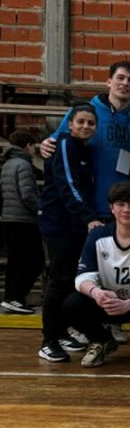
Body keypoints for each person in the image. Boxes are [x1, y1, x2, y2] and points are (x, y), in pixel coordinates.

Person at [62, 180, 130, 367]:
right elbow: (82, 278)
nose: (126, 210)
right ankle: (101, 340)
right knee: (72, 304)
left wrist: (128, 304)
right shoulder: (97, 236)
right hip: (107, 303)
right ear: (111, 208)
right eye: (120, 204)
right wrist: (97, 294)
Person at [36, 103, 102, 362]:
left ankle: (61, 332)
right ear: (70, 124)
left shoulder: (83, 149)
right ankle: (48, 340)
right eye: (81, 122)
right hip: (59, 224)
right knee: (59, 280)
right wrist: (89, 217)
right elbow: (68, 186)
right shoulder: (63, 144)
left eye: (90, 123)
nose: (86, 126)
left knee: (70, 280)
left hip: (73, 225)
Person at [41, 61, 130, 218]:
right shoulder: (85, 113)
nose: (125, 83)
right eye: (120, 78)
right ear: (109, 81)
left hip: (122, 205)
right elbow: (56, 142)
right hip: (89, 202)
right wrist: (45, 144)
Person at [1, 130, 42, 314]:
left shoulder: (7, 164)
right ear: (28, 146)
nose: (35, 150)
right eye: (34, 146)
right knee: (35, 261)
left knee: (15, 261)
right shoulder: (24, 165)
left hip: (8, 218)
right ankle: (16, 297)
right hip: (23, 220)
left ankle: (11, 298)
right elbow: (27, 194)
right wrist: (40, 209)